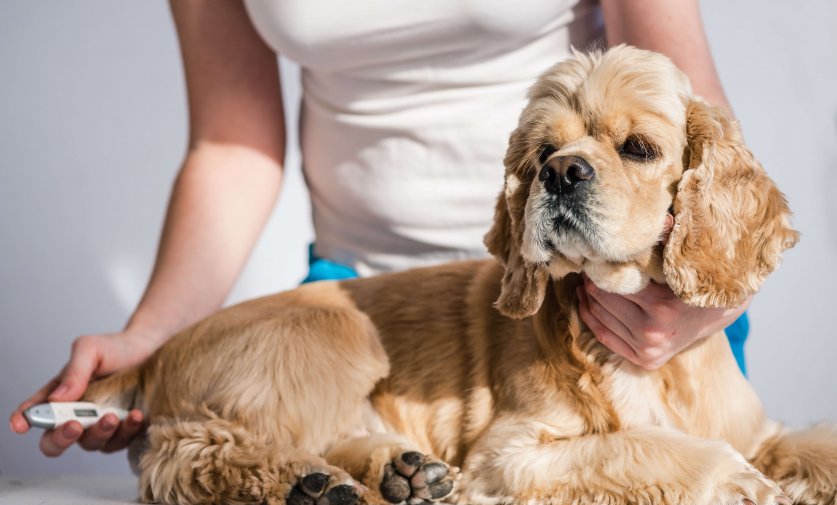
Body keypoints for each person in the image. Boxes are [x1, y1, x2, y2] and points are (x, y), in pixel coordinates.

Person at [10, 0, 748, 458]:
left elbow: (688, 112)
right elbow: (231, 145)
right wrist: (152, 335)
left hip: (602, 302)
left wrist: (715, 291)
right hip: (361, 308)